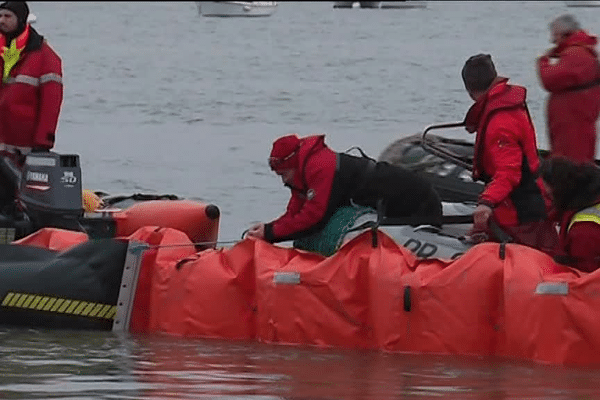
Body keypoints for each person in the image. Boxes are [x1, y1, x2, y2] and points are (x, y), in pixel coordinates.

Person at [246, 134, 443, 246]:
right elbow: (294, 213)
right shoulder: (302, 173)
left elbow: (314, 217)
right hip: (396, 198)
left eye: (283, 175)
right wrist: (266, 229)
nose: (283, 181)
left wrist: (270, 233)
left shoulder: (320, 168)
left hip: (417, 202)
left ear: (293, 166)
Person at [461, 53, 559, 253]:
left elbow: (509, 172)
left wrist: (486, 203)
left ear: (470, 91)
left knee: (544, 261)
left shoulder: (500, 123)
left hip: (521, 214)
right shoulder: (509, 104)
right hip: (525, 205)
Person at [0, 1, 63, 210]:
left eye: (7, 16)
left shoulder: (44, 56)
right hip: (2, 140)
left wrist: (43, 143)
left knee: (20, 199)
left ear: (21, 20)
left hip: (24, 146)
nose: (2, 21)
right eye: (0, 16)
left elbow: (51, 104)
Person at [537, 14, 600, 163]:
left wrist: (543, 62)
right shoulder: (579, 52)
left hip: (572, 125)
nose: (553, 41)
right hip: (571, 122)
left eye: (555, 37)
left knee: (572, 164)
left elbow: (549, 80)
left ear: (564, 34)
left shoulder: (576, 54)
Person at [539, 157, 600, 272]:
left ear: (558, 191)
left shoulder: (583, 228)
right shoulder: (588, 194)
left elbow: (586, 276)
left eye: (550, 196)